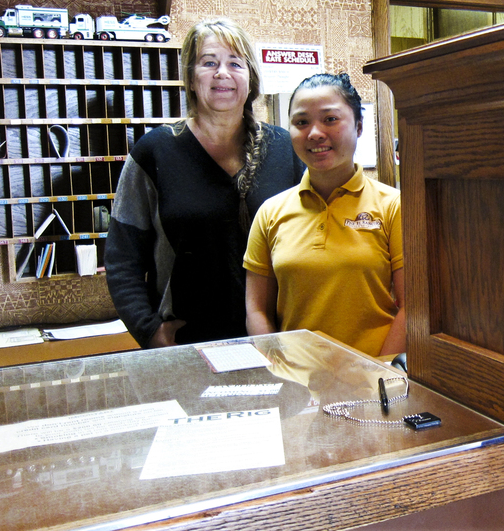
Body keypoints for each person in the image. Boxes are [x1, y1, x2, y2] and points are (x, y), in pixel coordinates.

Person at [105, 18, 305, 347]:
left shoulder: (287, 150)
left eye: (234, 63)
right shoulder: (153, 153)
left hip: (277, 343)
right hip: (187, 348)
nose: (222, 73)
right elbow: (122, 257)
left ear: (251, 78)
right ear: (191, 79)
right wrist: (148, 328)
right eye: (209, 62)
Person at [244, 73, 405, 357]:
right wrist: (279, 370)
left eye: (330, 119)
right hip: (299, 387)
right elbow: (257, 309)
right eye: (301, 122)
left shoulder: (394, 206)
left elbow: (412, 306)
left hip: (374, 385)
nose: (315, 133)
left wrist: (380, 374)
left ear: (358, 126)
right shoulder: (271, 212)